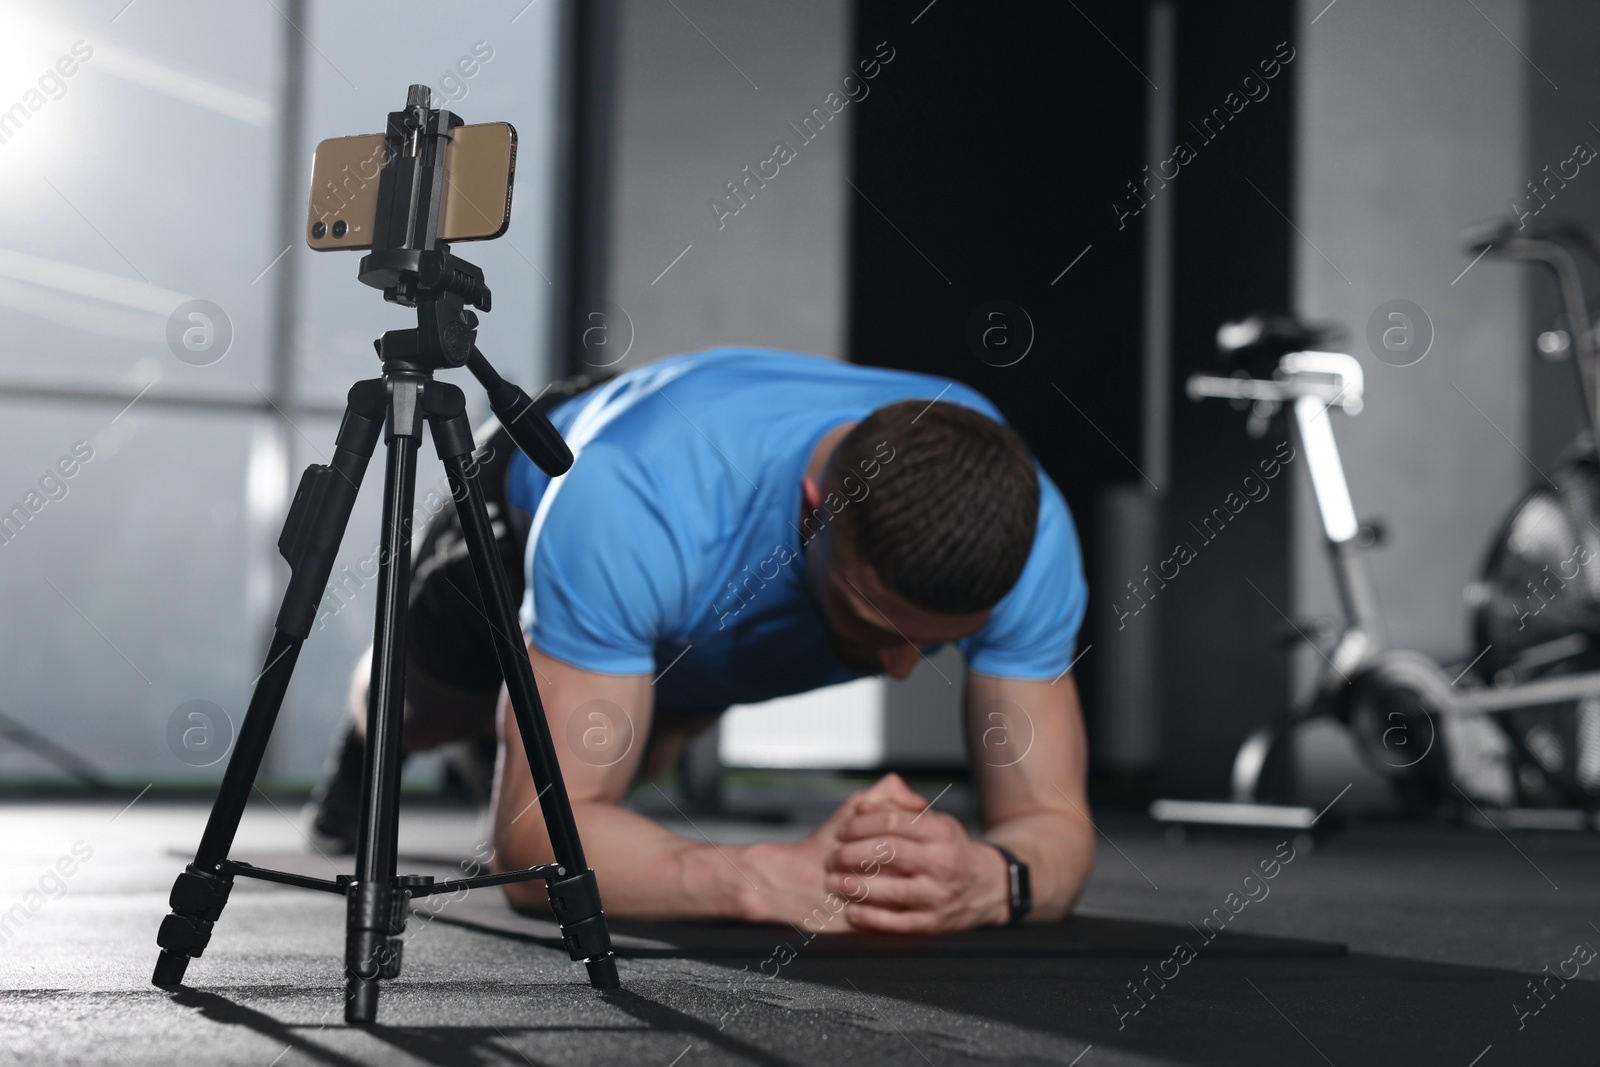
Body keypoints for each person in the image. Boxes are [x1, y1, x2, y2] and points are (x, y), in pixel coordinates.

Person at [305, 348, 1093, 933]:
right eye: (877, 625)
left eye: (934, 645)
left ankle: (522, 726)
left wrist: (989, 880)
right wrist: (765, 878)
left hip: (688, 601)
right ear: (813, 513)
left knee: (639, 762)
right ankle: (370, 738)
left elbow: (1053, 819)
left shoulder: (1028, 538)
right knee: (421, 711)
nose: (897, 671)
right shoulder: (629, 502)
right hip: (542, 482)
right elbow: (536, 851)